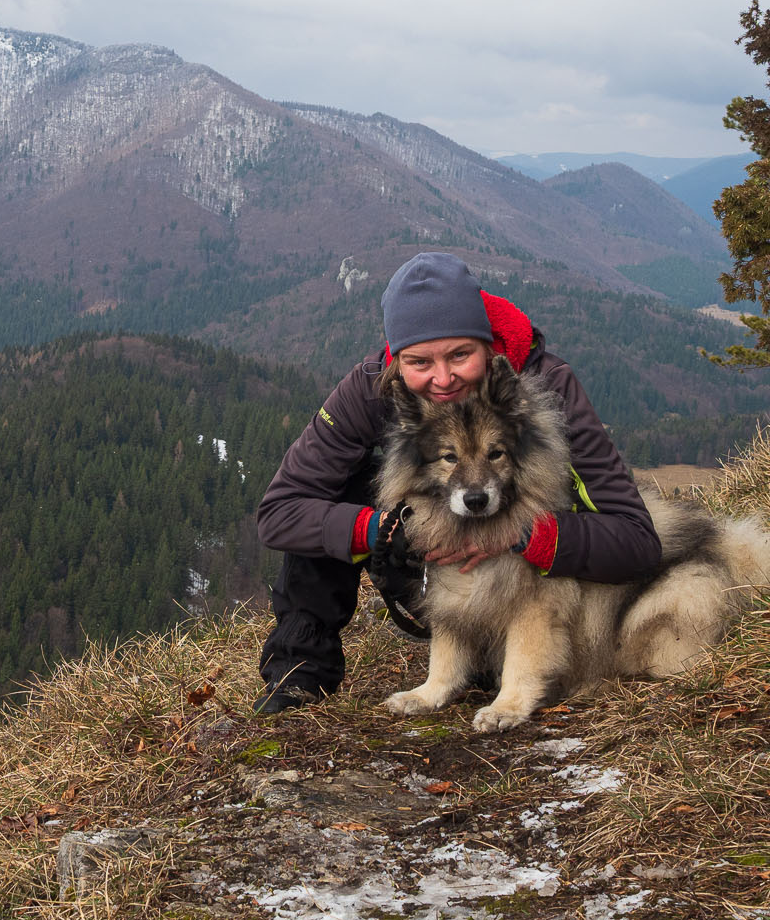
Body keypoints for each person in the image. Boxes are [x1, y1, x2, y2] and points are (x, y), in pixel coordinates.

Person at [252, 252, 663, 714]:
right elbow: (280, 512)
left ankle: (507, 666)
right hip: (420, 562)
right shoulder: (369, 388)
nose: (443, 379)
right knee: (333, 495)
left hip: (524, 580)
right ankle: (298, 676)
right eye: (420, 361)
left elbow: (639, 542)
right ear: (396, 358)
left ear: (488, 346)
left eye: (460, 355)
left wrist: (527, 534)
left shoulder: (548, 384)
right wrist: (384, 529)